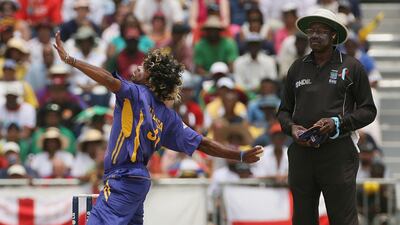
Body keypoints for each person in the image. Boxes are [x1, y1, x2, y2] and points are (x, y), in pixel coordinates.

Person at [53, 31, 262, 225]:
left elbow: (108, 79)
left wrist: (71, 60)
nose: (137, 67)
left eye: (144, 68)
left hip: (122, 179)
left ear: (152, 80)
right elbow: (203, 143)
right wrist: (240, 156)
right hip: (139, 180)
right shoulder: (169, 117)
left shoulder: (134, 92)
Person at [277, 9, 376, 225]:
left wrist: (337, 123)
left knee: (343, 219)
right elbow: (284, 110)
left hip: (338, 152)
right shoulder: (297, 67)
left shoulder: (351, 67)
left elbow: (369, 110)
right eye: (312, 31)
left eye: (321, 31)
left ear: (333, 36)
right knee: (302, 219)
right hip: (302, 153)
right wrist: (291, 128)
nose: (314, 35)